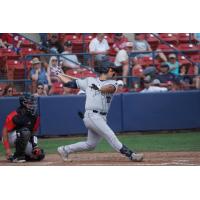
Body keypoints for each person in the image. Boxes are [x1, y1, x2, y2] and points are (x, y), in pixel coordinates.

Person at [57, 60, 144, 162]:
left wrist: (98, 88)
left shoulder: (113, 83)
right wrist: (59, 75)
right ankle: (131, 155)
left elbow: (109, 88)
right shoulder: (89, 81)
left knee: (90, 145)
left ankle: (64, 149)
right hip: (92, 115)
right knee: (110, 135)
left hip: (101, 117)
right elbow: (70, 84)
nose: (114, 72)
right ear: (106, 69)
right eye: (112, 70)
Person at [1, 93, 45, 163]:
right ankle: (18, 156)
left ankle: (18, 155)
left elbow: (33, 132)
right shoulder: (15, 115)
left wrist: (35, 146)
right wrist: (7, 149)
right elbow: (4, 131)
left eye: (32, 102)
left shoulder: (35, 116)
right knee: (25, 131)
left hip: (23, 137)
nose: (32, 104)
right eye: (30, 103)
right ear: (23, 103)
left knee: (39, 155)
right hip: (10, 137)